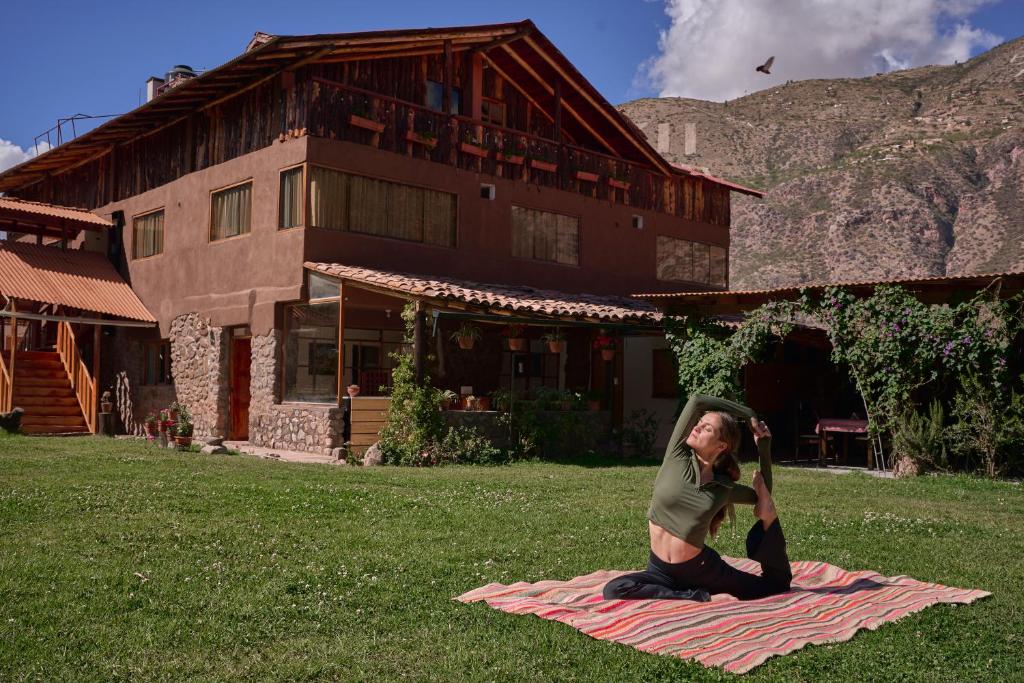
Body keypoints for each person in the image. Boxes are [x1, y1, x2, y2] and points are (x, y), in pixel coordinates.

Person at [603, 394, 792, 601]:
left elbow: (762, 495)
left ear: (721, 446)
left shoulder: (723, 487)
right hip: (659, 571)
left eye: (708, 428)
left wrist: (763, 447)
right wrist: (748, 415)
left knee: (774, 586)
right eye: (700, 422)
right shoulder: (677, 455)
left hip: (703, 571)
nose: (698, 427)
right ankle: (695, 597)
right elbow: (696, 401)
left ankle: (689, 594)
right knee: (614, 589)